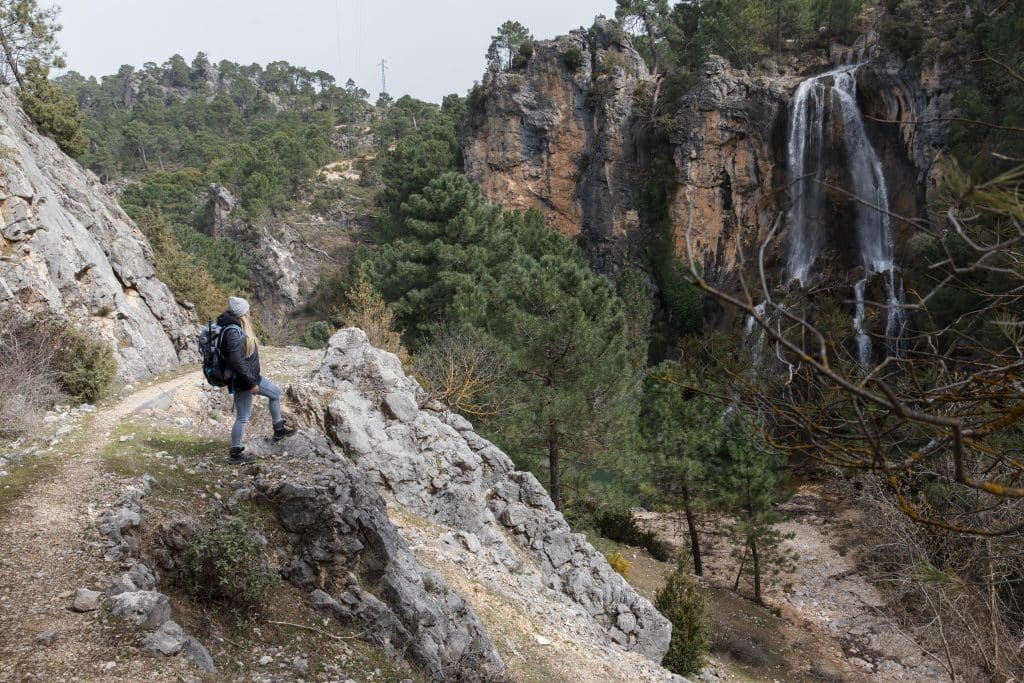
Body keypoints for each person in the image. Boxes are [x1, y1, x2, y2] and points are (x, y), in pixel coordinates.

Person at [218, 296, 295, 463]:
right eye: (248, 310)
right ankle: (235, 453)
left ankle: (279, 428)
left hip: (251, 377)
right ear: (243, 313)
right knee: (243, 417)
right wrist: (251, 384)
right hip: (244, 381)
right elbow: (236, 361)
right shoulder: (233, 331)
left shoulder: (237, 327)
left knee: (275, 392)